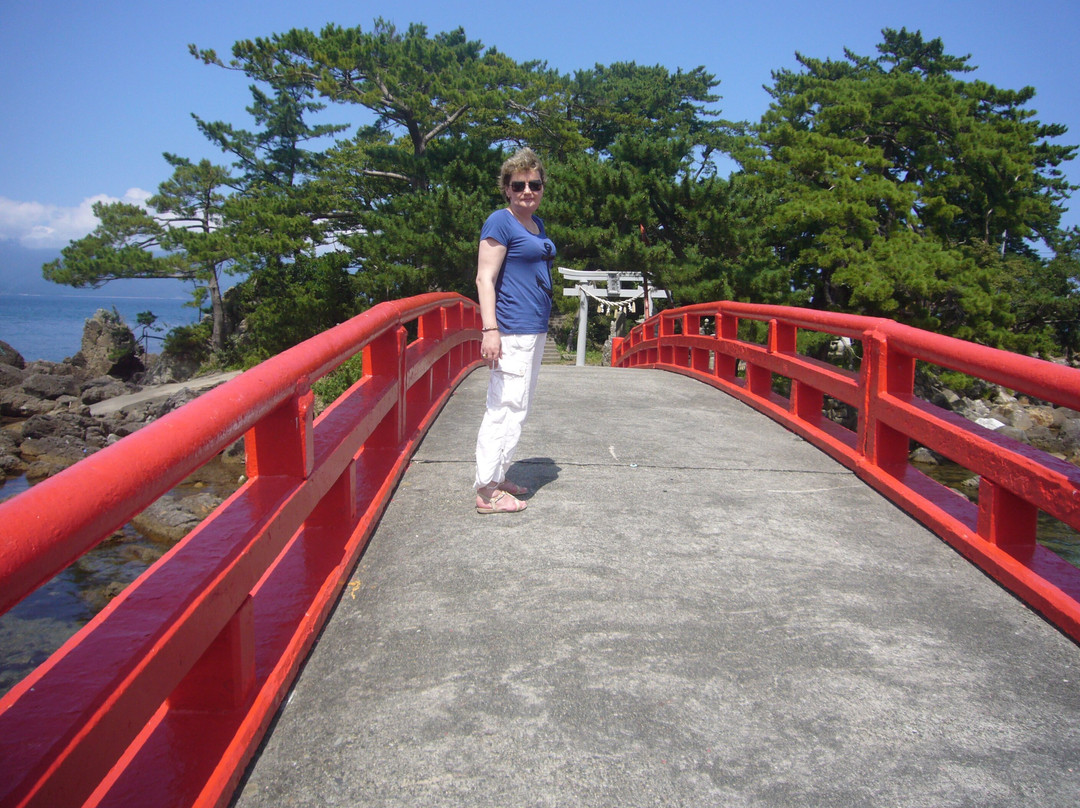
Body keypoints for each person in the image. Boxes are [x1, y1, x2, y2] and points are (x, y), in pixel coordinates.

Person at [473, 147, 556, 514]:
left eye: (534, 184)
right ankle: (487, 491)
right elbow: (484, 278)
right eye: (518, 184)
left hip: (532, 330)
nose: (527, 190)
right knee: (503, 407)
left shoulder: (535, 226)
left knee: (517, 408)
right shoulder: (500, 222)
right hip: (511, 330)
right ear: (506, 188)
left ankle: (498, 475)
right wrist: (490, 329)